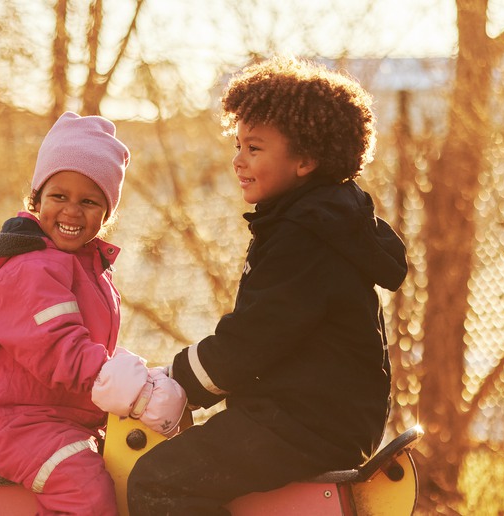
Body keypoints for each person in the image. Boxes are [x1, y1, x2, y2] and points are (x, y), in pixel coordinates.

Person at [127, 56, 408, 515]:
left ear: (306, 160)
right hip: (312, 415)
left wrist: (175, 382)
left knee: (161, 482)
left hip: (307, 422)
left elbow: (254, 337)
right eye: (237, 145)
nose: (238, 161)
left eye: (254, 149)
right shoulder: (316, 221)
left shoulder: (307, 235)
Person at [0, 111, 186, 516]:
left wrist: (143, 380)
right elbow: (61, 347)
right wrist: (136, 392)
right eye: (59, 196)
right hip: (13, 421)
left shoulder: (87, 267)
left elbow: (92, 350)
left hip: (61, 420)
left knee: (136, 470)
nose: (72, 211)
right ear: (37, 198)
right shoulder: (29, 267)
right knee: (86, 491)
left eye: (89, 201)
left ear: (106, 214)